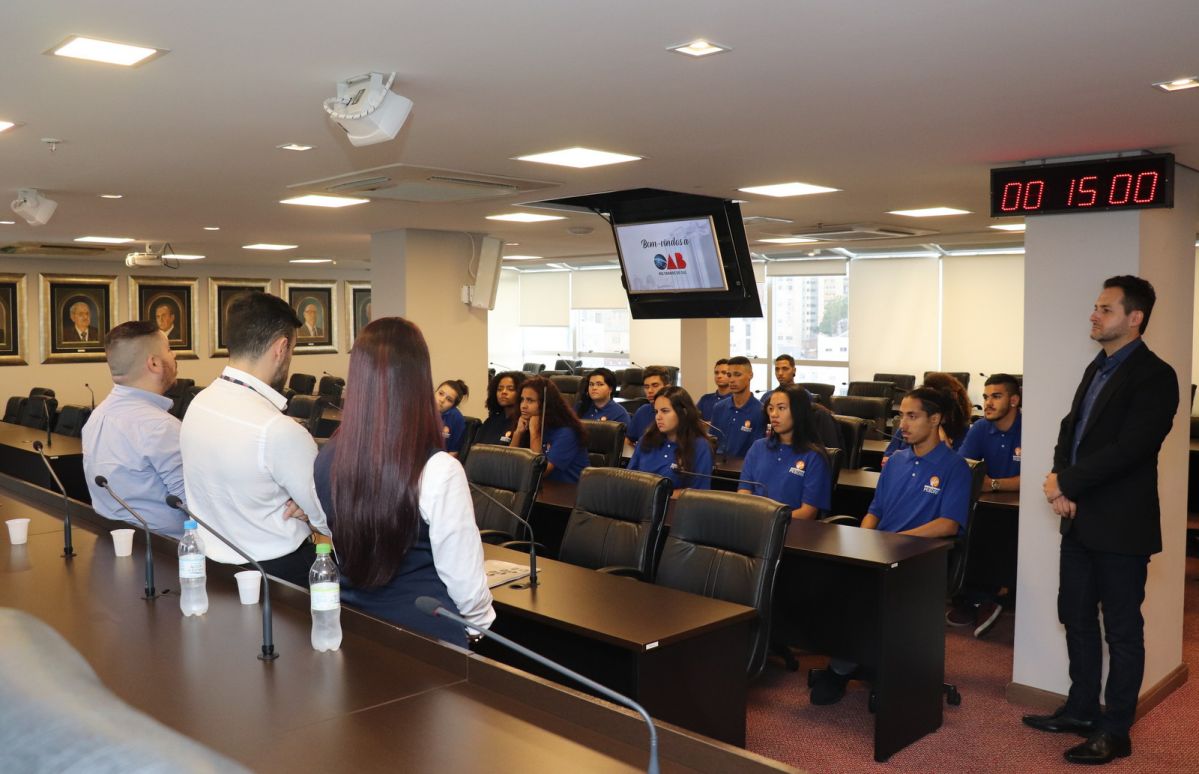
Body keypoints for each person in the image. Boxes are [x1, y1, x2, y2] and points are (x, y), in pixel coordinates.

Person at [1026, 276, 1177, 766]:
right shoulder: (1099, 367)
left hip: (1121, 526)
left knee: (1122, 631)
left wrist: (1066, 484)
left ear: (1134, 318)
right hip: (1080, 520)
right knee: (1075, 617)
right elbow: (1071, 431)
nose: (1094, 315)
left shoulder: (1156, 375)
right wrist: (1059, 478)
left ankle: (1115, 730)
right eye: (1095, 306)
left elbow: (1130, 450)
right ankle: (1082, 709)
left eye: (1105, 309)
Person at [314, 318, 494, 647]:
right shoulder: (440, 470)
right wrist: (478, 627)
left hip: (354, 627)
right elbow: (465, 584)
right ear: (419, 380)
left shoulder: (327, 458)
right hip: (427, 640)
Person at [810, 386, 970, 706]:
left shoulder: (956, 467)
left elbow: (948, 524)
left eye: (912, 416)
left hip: (920, 558)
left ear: (935, 419)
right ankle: (851, 660)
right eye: (900, 416)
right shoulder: (896, 460)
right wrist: (864, 538)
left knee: (865, 595)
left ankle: (843, 669)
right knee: (827, 579)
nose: (903, 425)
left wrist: (897, 542)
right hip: (881, 549)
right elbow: (875, 510)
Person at [180, 291, 328, 586]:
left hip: (212, 567)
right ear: (281, 347)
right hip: (279, 575)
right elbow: (328, 517)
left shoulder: (199, 404)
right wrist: (310, 511)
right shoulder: (278, 430)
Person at [82, 321, 186, 538]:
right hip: (168, 555)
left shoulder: (97, 416)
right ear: (154, 364)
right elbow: (194, 506)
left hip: (113, 543)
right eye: (169, 350)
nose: (174, 355)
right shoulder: (160, 428)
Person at [947, 372, 1024, 637]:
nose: (988, 403)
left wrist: (992, 483)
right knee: (966, 520)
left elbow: (1035, 476)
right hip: (986, 505)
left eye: (996, 396)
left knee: (997, 527)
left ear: (1014, 400)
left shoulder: (1029, 427)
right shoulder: (980, 428)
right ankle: (977, 597)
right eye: (985, 397)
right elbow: (963, 468)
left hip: (1023, 510)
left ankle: (990, 596)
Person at [739, 385, 832, 520]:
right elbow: (743, 494)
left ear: (798, 412)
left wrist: (769, 523)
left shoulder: (814, 457)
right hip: (754, 527)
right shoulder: (758, 447)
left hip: (792, 531)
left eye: (781, 408)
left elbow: (808, 512)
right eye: (771, 408)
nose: (774, 414)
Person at [627, 386, 712, 495]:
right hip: (640, 504)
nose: (658, 417)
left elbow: (699, 493)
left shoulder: (699, 446)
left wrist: (660, 495)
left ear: (683, 412)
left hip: (677, 508)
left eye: (665, 411)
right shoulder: (647, 439)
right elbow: (629, 478)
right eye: (656, 412)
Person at [512, 376, 589, 484]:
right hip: (540, 488)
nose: (523, 406)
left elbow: (539, 471)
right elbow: (509, 465)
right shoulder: (528, 424)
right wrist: (518, 433)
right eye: (522, 400)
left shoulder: (567, 433)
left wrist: (535, 433)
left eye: (530, 400)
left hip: (567, 493)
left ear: (546, 404)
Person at [881, 371, 971, 464]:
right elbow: (888, 456)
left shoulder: (961, 428)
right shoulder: (909, 424)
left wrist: (941, 434)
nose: (903, 424)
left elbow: (954, 465)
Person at [708, 356, 766, 458]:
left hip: (744, 470)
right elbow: (712, 441)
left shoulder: (761, 411)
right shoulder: (719, 407)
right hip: (717, 468)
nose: (732, 380)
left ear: (750, 375)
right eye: (729, 375)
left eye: (737, 375)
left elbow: (759, 451)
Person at [625, 366, 673, 446]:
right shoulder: (642, 411)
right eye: (646, 387)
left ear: (667, 387)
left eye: (655, 385)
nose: (649, 391)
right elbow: (628, 440)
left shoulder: (676, 412)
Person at [476, 370, 525, 446]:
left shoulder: (522, 423)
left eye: (510, 389)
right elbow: (475, 448)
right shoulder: (492, 420)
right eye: (500, 389)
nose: (504, 392)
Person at [435, 379, 470, 456]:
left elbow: (454, 452)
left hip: (440, 461)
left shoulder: (457, 419)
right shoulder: (421, 409)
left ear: (453, 405)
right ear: (435, 392)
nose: (442, 400)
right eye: (440, 393)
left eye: (449, 400)